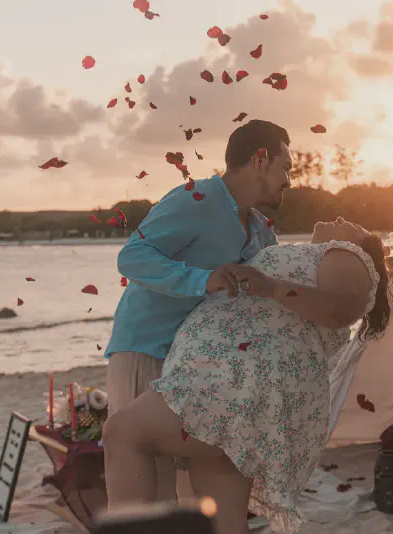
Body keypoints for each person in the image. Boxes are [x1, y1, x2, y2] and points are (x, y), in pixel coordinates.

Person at [103, 217, 391, 534]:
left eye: (356, 226)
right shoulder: (310, 259)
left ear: (363, 248)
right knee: (223, 523)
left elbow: (342, 309)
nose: (339, 219)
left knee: (124, 432)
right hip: (244, 385)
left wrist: (271, 287)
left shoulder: (345, 253)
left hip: (243, 385)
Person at [103, 120, 293, 504]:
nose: (290, 179)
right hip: (148, 349)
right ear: (260, 159)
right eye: (286, 167)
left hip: (202, 366)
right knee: (151, 496)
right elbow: (132, 257)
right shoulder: (196, 199)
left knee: (197, 496)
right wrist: (203, 279)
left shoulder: (262, 231)